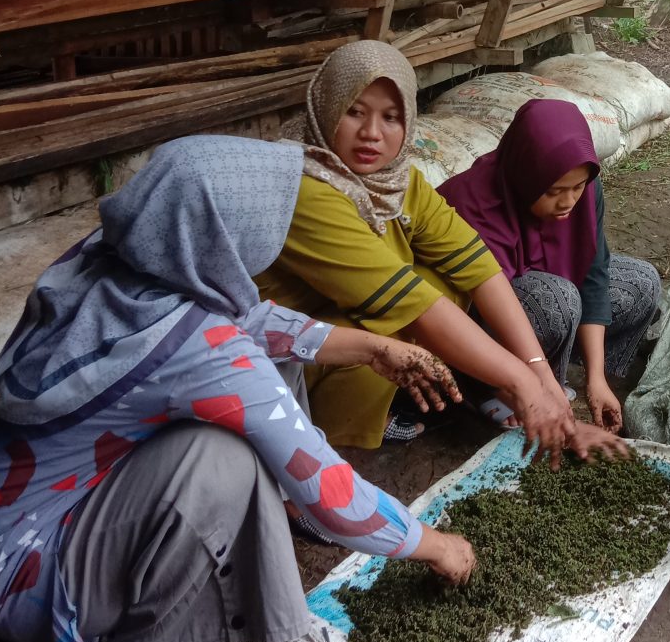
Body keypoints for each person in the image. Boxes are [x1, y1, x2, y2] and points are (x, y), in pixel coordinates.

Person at [0, 136, 478, 642]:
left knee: (266, 380)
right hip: (16, 578)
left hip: (7, 516)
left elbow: (250, 319)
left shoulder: (114, 256)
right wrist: (437, 545)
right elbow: (337, 497)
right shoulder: (203, 350)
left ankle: (272, 511)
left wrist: (372, 348)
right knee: (224, 459)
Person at [256, 40, 623, 457]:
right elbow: (411, 303)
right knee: (408, 313)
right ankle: (323, 446)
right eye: (354, 111)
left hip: (347, 325)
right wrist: (524, 385)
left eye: (391, 117)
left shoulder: (398, 181)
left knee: (446, 282)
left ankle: (362, 421)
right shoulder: (304, 187)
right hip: (278, 356)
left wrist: (540, 375)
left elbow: (476, 264)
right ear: (325, 107)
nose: (372, 133)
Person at [438, 100, 661, 432]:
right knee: (556, 299)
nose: (568, 202)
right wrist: (536, 383)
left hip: (552, 294)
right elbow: (474, 306)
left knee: (642, 282)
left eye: (577, 188)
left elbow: (595, 273)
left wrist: (596, 378)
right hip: (482, 326)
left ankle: (565, 363)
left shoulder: (585, 187)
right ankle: (488, 389)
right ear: (525, 175)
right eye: (554, 191)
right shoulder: (471, 204)